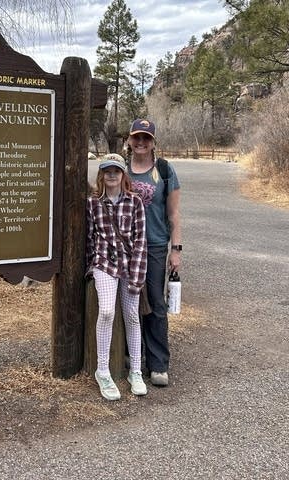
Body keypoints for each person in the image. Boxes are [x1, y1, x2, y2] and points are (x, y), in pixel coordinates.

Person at [86, 154, 148, 400]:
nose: (112, 175)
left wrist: (137, 276)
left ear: (124, 175)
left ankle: (135, 370)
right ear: (101, 175)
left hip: (129, 265)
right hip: (104, 264)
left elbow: (140, 240)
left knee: (132, 316)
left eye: (117, 171)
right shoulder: (93, 203)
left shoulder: (134, 203)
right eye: (107, 171)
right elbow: (90, 238)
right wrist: (91, 266)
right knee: (107, 311)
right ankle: (102, 370)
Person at [126, 119, 181, 387]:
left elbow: (174, 213)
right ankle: (129, 356)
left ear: (153, 142)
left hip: (156, 245)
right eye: (136, 137)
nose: (141, 143)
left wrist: (176, 249)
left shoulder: (164, 170)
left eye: (146, 138)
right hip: (124, 246)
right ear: (129, 140)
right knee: (127, 301)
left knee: (156, 303)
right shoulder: (121, 170)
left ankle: (158, 363)